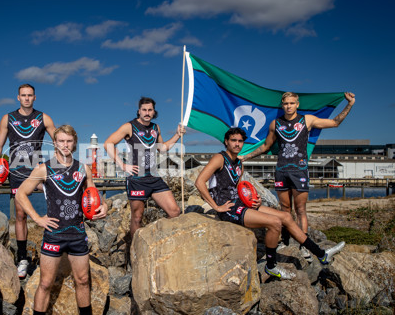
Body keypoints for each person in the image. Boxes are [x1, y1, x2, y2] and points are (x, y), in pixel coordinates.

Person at [195, 127, 345, 280]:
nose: (237, 144)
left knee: (286, 216)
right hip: (229, 208)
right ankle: (271, 266)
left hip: (241, 203)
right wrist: (216, 207)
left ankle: (321, 254)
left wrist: (254, 199)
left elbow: (241, 189)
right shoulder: (219, 158)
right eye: (233, 140)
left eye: (240, 141)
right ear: (226, 142)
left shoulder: (240, 163)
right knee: (275, 223)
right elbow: (199, 182)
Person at [15, 125, 107, 315]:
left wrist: (104, 206)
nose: (65, 145)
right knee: (45, 283)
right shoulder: (44, 169)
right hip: (53, 235)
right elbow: (20, 193)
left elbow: (94, 196)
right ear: (55, 143)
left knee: (83, 280)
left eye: (69, 141)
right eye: (61, 141)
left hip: (77, 234)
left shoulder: (83, 168)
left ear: (74, 143)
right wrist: (37, 218)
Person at [241, 92, 355, 259]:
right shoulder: (275, 124)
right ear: (282, 105)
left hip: (299, 171)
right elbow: (265, 146)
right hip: (281, 171)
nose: (289, 106)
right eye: (286, 103)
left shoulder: (307, 120)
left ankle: (304, 245)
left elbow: (335, 123)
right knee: (285, 209)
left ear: (297, 104)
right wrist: (245, 156)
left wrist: (349, 104)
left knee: (300, 209)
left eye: (292, 103)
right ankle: (285, 240)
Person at [0, 84, 55, 278]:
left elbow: (59, 141)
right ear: (18, 98)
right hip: (16, 170)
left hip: (36, 169)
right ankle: (22, 258)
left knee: (56, 204)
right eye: (23, 95)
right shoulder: (8, 118)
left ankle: (56, 249)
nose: (26, 98)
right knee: (20, 214)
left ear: (34, 97)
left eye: (29, 95)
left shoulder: (44, 118)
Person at [104, 97, 185, 237]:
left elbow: (163, 148)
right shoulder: (129, 127)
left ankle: (156, 241)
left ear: (154, 112)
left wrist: (177, 135)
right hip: (136, 179)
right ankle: (134, 252)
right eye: (144, 110)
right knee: (137, 217)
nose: (147, 113)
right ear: (139, 111)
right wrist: (122, 165)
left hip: (153, 177)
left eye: (150, 110)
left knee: (174, 211)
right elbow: (108, 143)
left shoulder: (156, 128)